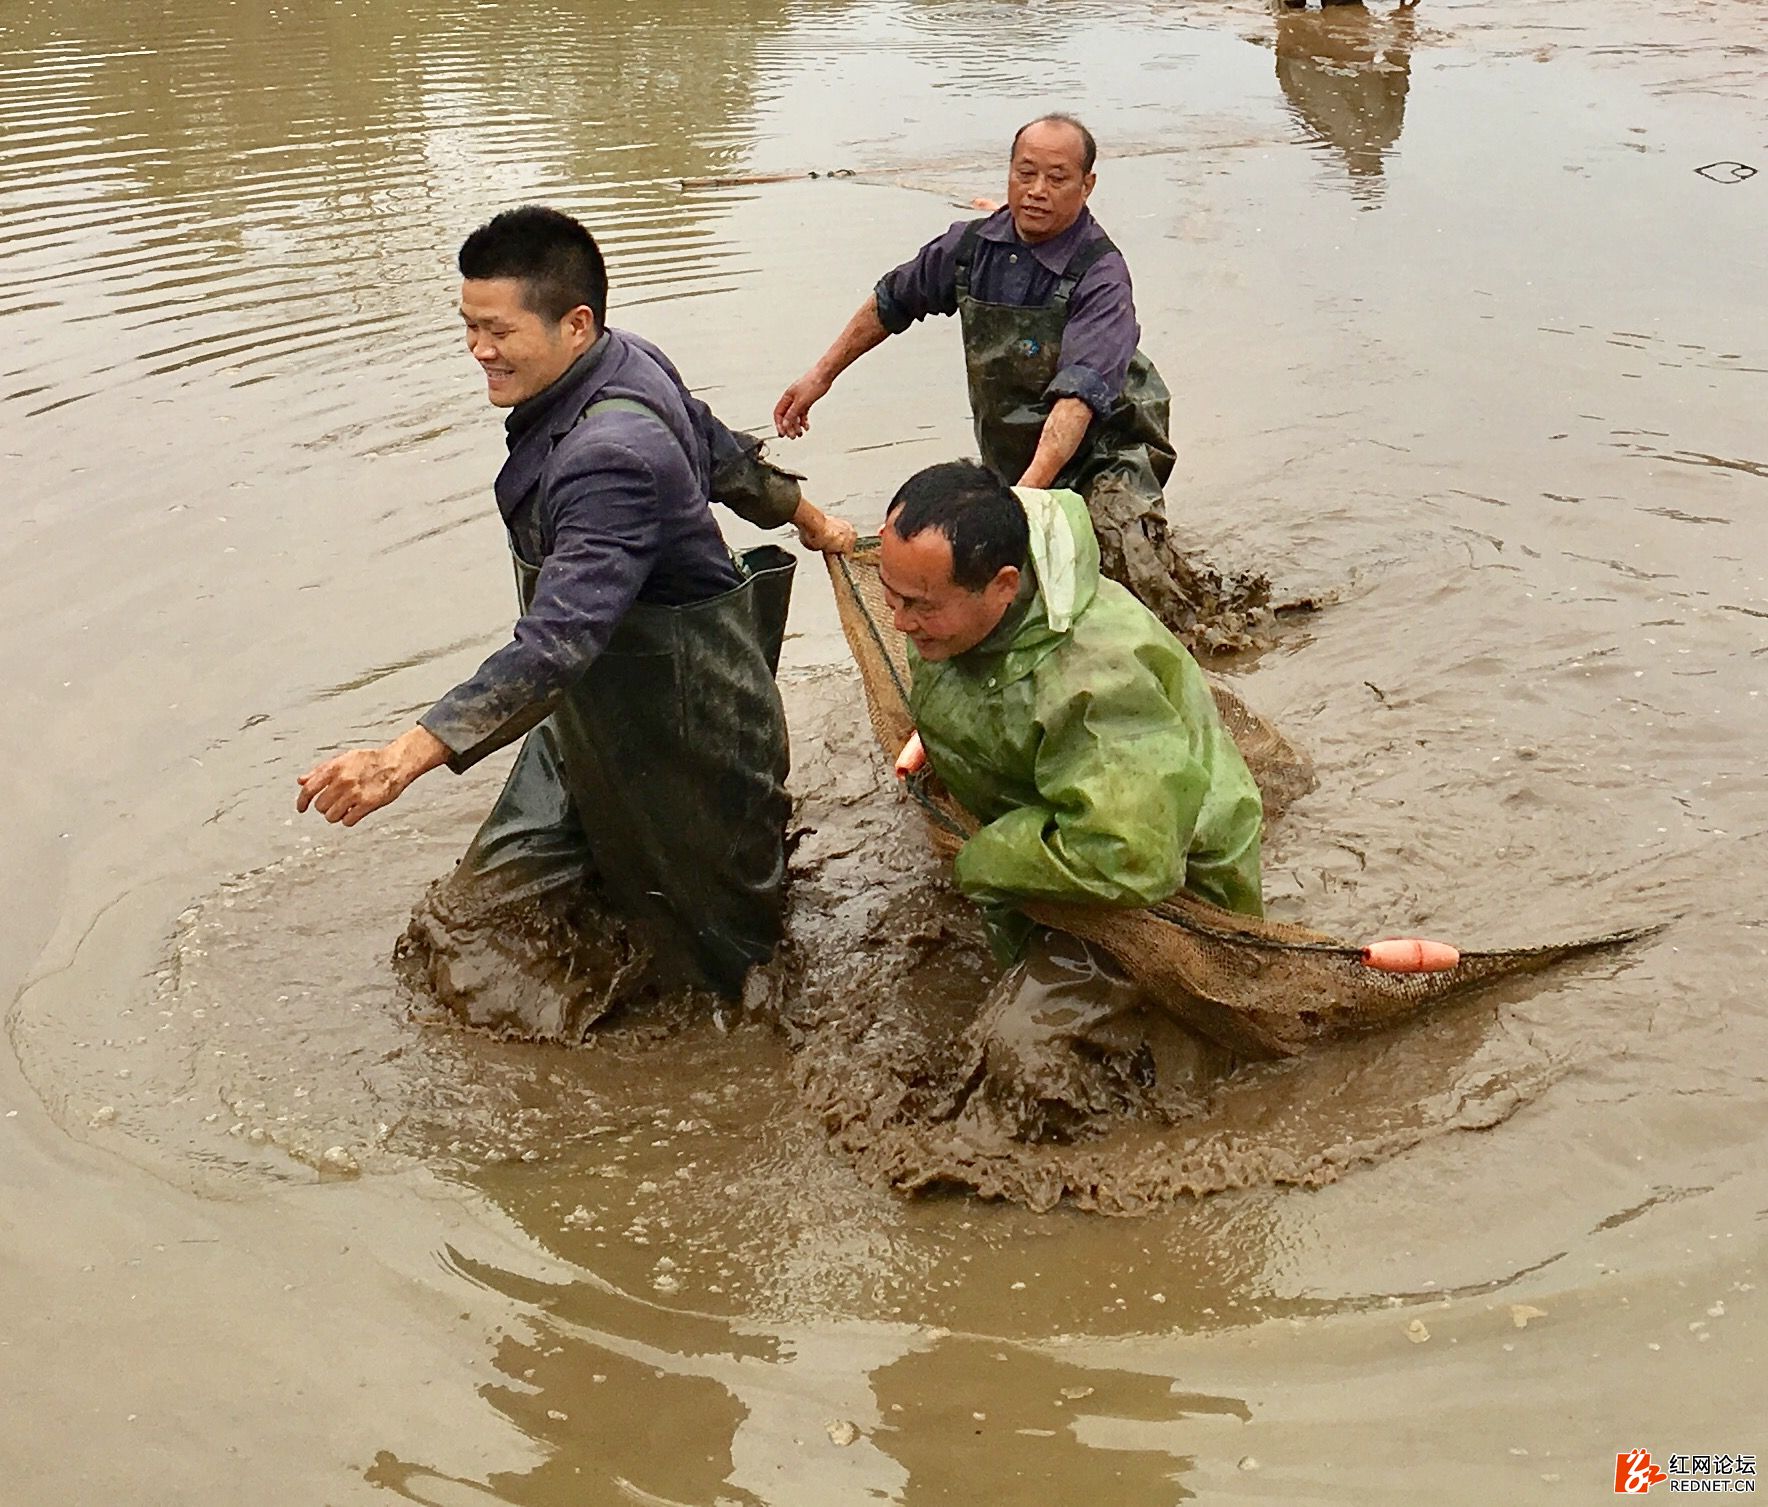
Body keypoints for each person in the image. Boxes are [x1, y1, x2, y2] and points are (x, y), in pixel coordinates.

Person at [297, 205, 855, 1004]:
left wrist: (399, 759)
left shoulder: (609, 458)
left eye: (498, 331)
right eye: (469, 326)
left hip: (689, 737)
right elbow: (721, 452)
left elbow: (555, 642)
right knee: (469, 923)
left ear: (576, 324)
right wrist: (813, 520)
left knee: (732, 975)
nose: (479, 350)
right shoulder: (626, 359)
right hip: (588, 713)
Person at [878, 459, 1264, 1135]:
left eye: (920, 606)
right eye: (890, 594)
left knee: (1020, 1049)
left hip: (1160, 889)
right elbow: (985, 691)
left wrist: (984, 857)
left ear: (1003, 586)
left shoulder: (1095, 680)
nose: (899, 621)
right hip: (1065, 823)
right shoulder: (948, 612)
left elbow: (1131, 858)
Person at [777, 113, 1234, 637]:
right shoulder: (970, 249)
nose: (1037, 191)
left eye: (1057, 178)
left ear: (1087, 186)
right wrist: (819, 377)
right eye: (1025, 173)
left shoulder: (1101, 275)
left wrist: (1021, 502)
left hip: (1106, 450)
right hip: (1012, 444)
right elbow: (892, 300)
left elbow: (1076, 402)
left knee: (1122, 573)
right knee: (1011, 595)